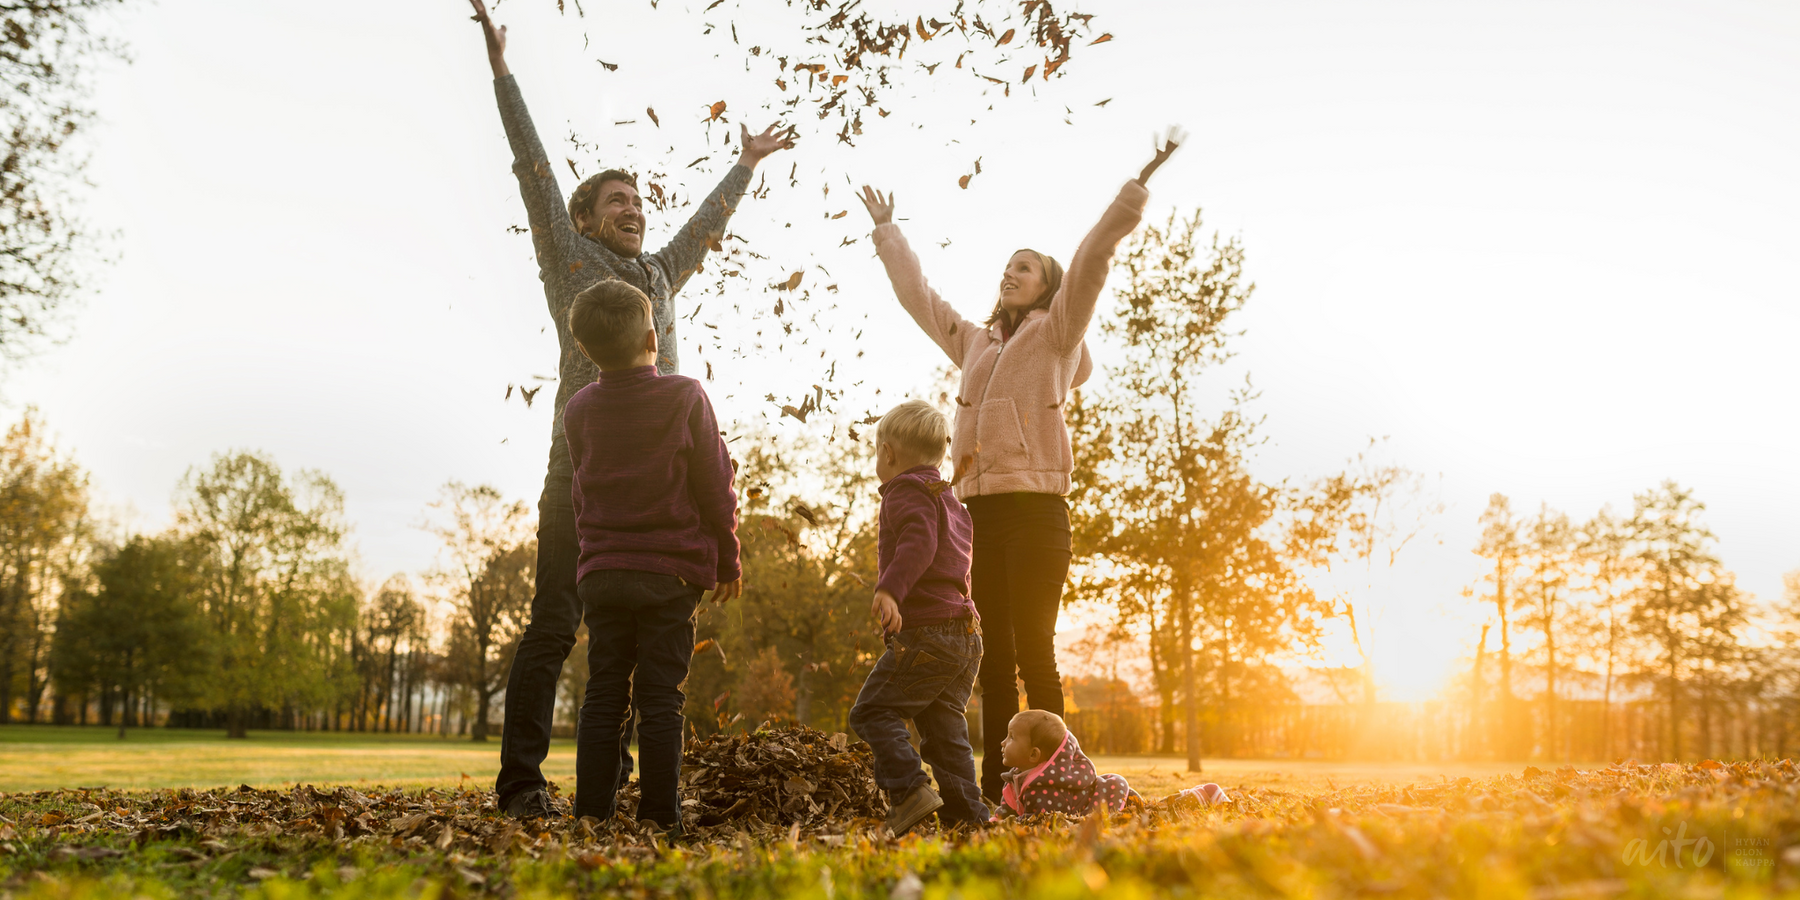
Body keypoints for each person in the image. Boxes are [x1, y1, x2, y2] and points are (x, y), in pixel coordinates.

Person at [463, 0, 792, 819]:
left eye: (639, 200)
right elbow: (535, 166)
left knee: (644, 655)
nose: (634, 210)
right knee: (555, 627)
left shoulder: (660, 278)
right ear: (581, 221)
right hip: (579, 480)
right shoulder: (568, 259)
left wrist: (746, 164)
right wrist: (503, 71)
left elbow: (704, 230)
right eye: (617, 200)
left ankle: (628, 795)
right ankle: (522, 784)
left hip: (662, 495)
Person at [857, 132, 1183, 801]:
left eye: (1026, 267)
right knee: (993, 660)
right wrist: (888, 232)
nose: (1011, 272)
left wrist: (1137, 185)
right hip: (977, 516)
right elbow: (920, 298)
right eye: (1008, 265)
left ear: (1049, 288)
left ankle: (1056, 782)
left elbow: (1093, 257)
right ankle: (997, 790)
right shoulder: (975, 342)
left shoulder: (1059, 330)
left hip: (1037, 514)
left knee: (1036, 649)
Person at [561, 279, 743, 832]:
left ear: (585, 349)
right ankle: (660, 817)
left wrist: (593, 556)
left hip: (604, 573)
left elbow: (580, 492)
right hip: (669, 572)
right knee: (661, 697)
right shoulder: (685, 396)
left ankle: (591, 812)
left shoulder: (580, 408)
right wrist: (729, 558)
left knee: (605, 690)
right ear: (652, 337)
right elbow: (716, 485)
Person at [846, 399, 989, 836]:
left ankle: (909, 790)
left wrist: (891, 588)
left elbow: (919, 544)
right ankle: (968, 815)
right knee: (945, 729)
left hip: (930, 633)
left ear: (888, 453)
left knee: (872, 711)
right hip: (965, 634)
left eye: (876, 453)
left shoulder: (904, 492)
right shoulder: (951, 501)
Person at [991, 710, 1228, 818]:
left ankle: (1204, 792)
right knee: (1152, 811)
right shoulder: (1019, 777)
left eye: (1011, 737)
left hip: (1115, 802)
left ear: (1034, 755)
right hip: (1105, 801)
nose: (1003, 742)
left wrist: (1011, 824)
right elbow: (1008, 808)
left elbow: (1041, 821)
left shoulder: (1045, 789)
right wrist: (996, 820)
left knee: (1154, 814)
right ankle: (1199, 794)